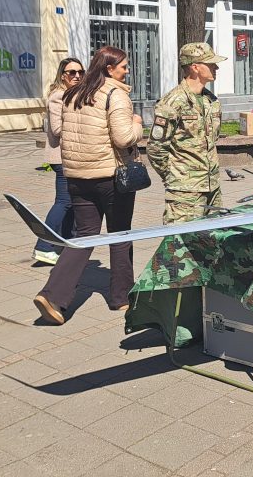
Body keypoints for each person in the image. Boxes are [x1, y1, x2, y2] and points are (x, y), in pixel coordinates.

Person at [33, 46, 143, 325]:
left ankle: (52, 295)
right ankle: (121, 297)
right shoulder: (115, 94)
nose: (127, 71)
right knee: (119, 234)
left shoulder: (73, 94)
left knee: (84, 236)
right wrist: (137, 124)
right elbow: (123, 138)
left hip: (77, 177)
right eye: (123, 66)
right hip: (110, 177)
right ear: (109, 68)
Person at [147, 42, 227, 225]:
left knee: (213, 238)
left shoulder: (211, 101)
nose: (216, 67)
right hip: (185, 192)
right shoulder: (173, 101)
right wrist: (175, 177)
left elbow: (211, 141)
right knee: (181, 240)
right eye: (211, 63)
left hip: (212, 187)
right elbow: (156, 147)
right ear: (195, 67)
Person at [34, 57, 84, 265]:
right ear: (62, 75)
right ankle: (43, 247)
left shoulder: (75, 95)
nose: (77, 76)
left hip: (72, 156)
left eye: (80, 72)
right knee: (64, 202)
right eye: (72, 72)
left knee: (71, 202)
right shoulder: (58, 96)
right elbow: (56, 128)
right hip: (61, 157)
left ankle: (63, 241)